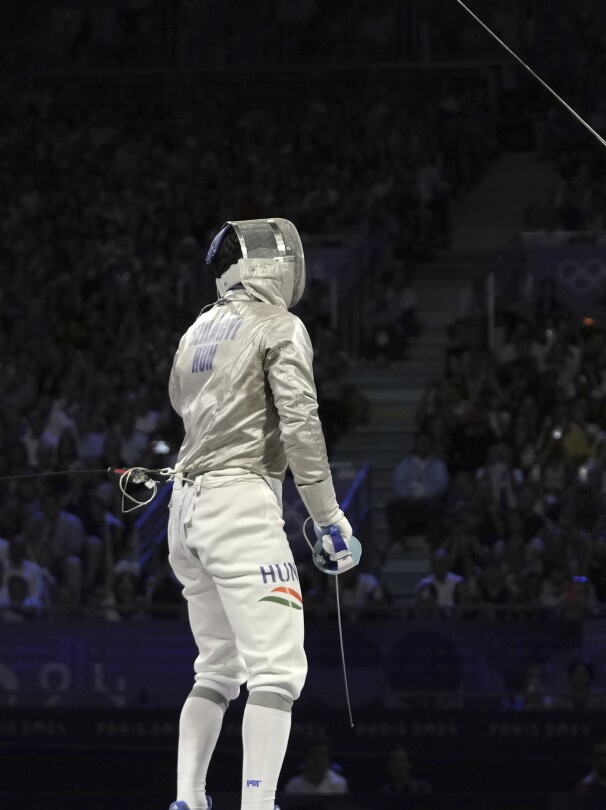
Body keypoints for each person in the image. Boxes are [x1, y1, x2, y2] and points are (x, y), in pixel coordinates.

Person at [168, 219, 356, 810]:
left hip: (183, 509)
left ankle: (189, 801)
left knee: (218, 669)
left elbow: (181, 404)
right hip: (239, 506)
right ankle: (257, 805)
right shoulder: (279, 325)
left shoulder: (197, 329)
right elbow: (301, 422)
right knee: (275, 673)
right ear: (274, 265)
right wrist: (328, 517)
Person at [283, 737, 349, 796]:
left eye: (322, 754)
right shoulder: (293, 785)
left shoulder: (339, 783)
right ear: (305, 758)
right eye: (313, 754)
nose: (317, 758)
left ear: (329, 758)